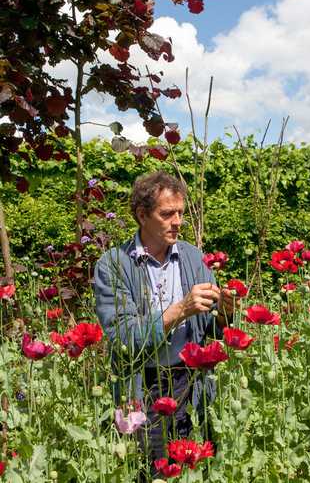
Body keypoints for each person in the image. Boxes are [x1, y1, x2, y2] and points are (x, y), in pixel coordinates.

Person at [94, 171, 234, 468]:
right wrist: (180, 309)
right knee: (151, 471)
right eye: (167, 213)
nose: (178, 221)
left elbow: (212, 331)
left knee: (193, 470)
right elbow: (123, 337)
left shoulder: (193, 257)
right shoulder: (114, 265)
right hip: (144, 387)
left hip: (191, 385)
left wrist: (225, 312)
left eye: (180, 213)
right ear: (142, 215)